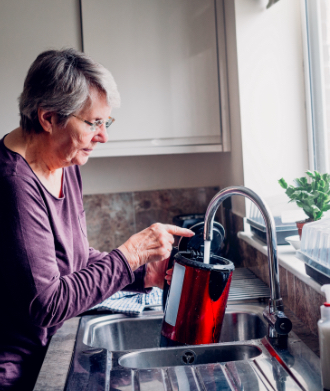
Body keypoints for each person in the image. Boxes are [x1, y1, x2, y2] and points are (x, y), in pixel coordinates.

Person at [0, 48, 194, 390]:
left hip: (49, 352)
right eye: (93, 123)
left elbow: (74, 259)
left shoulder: (65, 162)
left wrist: (140, 271)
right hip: (17, 372)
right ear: (48, 119)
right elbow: (46, 304)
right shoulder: (13, 185)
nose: (103, 136)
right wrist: (129, 254)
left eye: (107, 122)